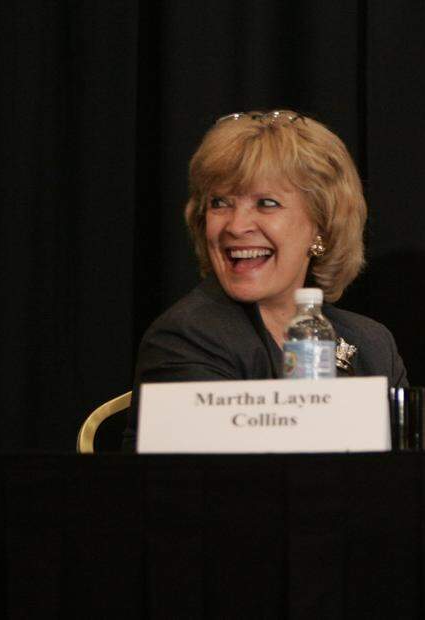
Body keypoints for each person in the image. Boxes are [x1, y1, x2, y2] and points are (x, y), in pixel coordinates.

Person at [122, 110, 408, 450]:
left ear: (322, 226)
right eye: (220, 203)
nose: (236, 226)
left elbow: (409, 481)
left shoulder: (373, 345)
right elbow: (210, 491)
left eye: (266, 203)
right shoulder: (186, 337)